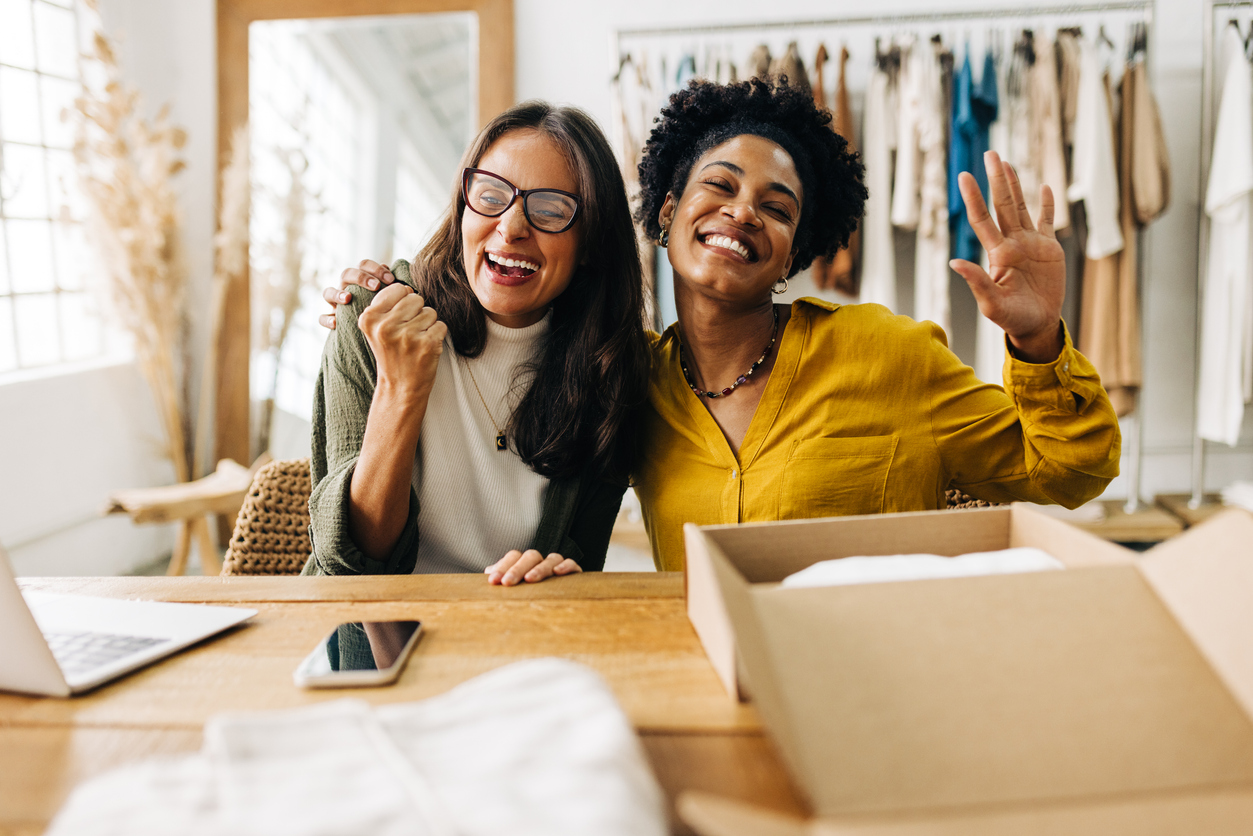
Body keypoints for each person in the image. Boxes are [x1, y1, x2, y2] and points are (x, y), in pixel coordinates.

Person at [326, 78, 1119, 573]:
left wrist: (1037, 340)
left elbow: (1066, 472)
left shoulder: (888, 353)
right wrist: (380, 289)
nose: (742, 211)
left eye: (776, 209)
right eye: (720, 186)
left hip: (875, 670)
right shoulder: (629, 379)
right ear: (666, 212)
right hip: (707, 673)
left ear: (792, 255)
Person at [303, 100, 650, 584]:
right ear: (463, 205)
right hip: (374, 642)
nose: (510, 228)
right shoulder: (375, 318)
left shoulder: (613, 370)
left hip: (516, 639)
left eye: (550, 209)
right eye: (490, 196)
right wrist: (399, 391)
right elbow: (348, 560)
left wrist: (558, 573)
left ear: (591, 241)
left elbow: (582, 565)